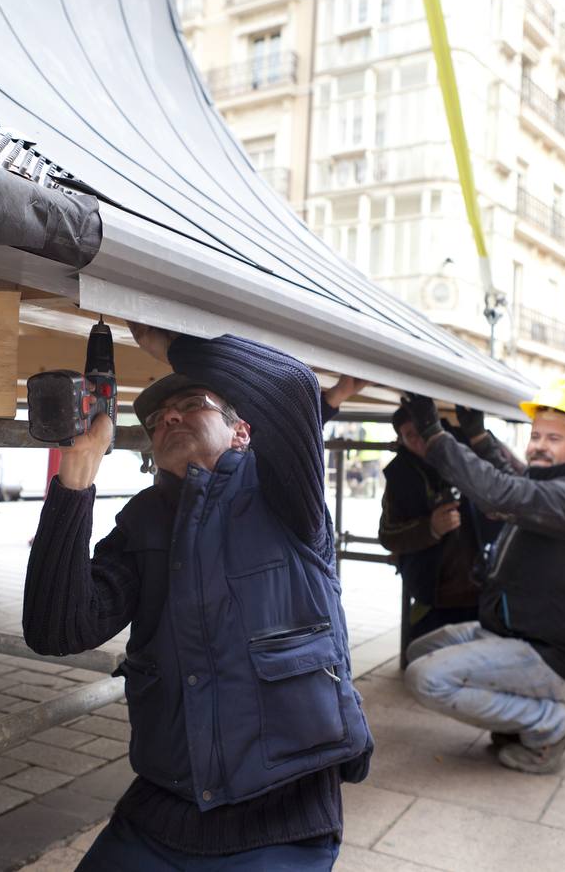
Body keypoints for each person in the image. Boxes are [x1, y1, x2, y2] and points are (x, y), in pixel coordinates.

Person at [22, 326, 372, 870]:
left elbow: (290, 384)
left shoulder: (284, 498)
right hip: (162, 810)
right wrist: (78, 474)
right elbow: (57, 629)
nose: (169, 418)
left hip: (282, 819)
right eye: (158, 417)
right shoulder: (144, 519)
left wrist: (171, 347)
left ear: (242, 433)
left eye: (191, 404)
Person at [401, 383, 565, 774]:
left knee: (426, 679)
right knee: (416, 650)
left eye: (554, 438)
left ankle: (551, 723)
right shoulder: (552, 486)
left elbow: (504, 492)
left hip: (549, 656)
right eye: (535, 436)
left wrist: (435, 437)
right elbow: (513, 477)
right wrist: (480, 438)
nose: (538, 446)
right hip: (509, 633)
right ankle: (522, 714)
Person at [378, 404, 515, 646]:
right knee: (425, 658)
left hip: (484, 589)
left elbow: (514, 490)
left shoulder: (470, 452)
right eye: (410, 435)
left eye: (423, 430)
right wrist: (430, 528)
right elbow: (388, 535)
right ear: (401, 439)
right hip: (434, 593)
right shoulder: (400, 475)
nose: (419, 440)